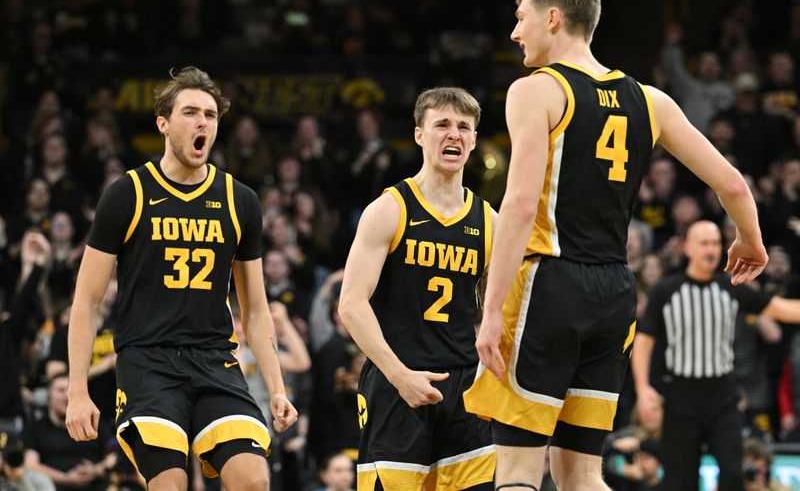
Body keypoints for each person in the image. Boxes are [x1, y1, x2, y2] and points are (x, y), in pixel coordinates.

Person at [464, 0, 768, 491]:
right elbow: (734, 186)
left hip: (548, 285)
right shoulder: (650, 100)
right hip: (614, 293)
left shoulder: (535, 91)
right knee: (582, 474)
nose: (515, 33)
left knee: (516, 471)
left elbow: (516, 206)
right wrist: (750, 240)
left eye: (521, 18)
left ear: (553, 17)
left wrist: (490, 310)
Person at [65, 67, 298, 491]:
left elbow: (256, 308)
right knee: (170, 483)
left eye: (210, 115)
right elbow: (86, 302)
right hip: (147, 360)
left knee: (253, 479)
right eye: (190, 112)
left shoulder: (239, 200)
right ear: (164, 123)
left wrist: (277, 387)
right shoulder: (127, 194)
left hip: (215, 360)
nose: (202, 122)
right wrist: (77, 391)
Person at [339, 87, 496, 490]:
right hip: (396, 381)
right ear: (419, 135)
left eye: (464, 127)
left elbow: (507, 306)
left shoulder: (489, 220)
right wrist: (399, 375)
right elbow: (351, 305)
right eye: (442, 124)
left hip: (463, 387)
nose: (454, 135)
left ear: (474, 140)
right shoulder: (390, 208)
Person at [632, 221, 800, 491]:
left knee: (733, 474)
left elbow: (780, 308)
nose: (710, 249)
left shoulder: (731, 288)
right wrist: (642, 388)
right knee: (679, 482)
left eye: (715, 244)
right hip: (681, 397)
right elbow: (643, 342)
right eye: (703, 243)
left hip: (722, 396)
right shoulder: (666, 291)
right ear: (687, 248)